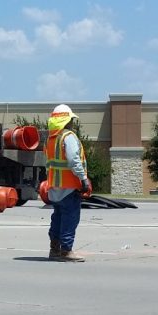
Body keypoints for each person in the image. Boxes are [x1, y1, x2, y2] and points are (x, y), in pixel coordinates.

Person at [44, 104, 91, 262]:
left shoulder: (50, 139)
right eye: (71, 119)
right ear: (66, 121)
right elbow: (73, 160)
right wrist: (83, 179)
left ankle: (54, 249)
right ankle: (66, 251)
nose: (72, 123)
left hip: (55, 188)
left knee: (57, 218)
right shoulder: (68, 137)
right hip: (69, 187)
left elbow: (48, 163)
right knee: (70, 218)